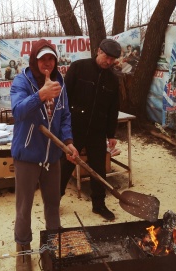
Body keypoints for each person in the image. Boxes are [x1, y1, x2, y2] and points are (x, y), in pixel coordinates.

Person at [10, 39, 78, 271]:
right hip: (27, 155)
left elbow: (66, 116)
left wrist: (68, 143)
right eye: (42, 59)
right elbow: (17, 112)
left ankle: (52, 246)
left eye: (51, 59)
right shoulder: (21, 81)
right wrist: (40, 95)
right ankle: (23, 249)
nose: (47, 63)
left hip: (52, 155)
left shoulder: (60, 83)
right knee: (24, 207)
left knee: (53, 203)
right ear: (34, 60)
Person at [60, 38, 121, 221]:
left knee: (98, 169)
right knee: (65, 166)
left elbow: (113, 108)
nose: (108, 62)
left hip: (97, 130)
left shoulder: (113, 79)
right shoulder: (78, 68)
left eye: (112, 59)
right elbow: (63, 98)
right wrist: (62, 127)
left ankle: (99, 205)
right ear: (98, 51)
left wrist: (111, 134)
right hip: (74, 128)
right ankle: (54, 201)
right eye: (107, 57)